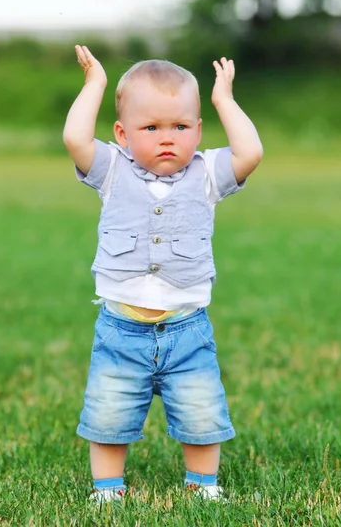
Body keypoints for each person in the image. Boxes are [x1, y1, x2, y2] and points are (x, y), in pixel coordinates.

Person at [63, 46, 263, 502]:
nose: (167, 137)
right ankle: (107, 490)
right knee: (109, 414)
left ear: (197, 130)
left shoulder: (207, 173)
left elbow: (250, 152)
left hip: (187, 328)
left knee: (201, 410)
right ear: (122, 133)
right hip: (121, 328)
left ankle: (203, 486)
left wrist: (224, 101)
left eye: (180, 126)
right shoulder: (113, 169)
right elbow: (76, 140)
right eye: (150, 128)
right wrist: (95, 84)